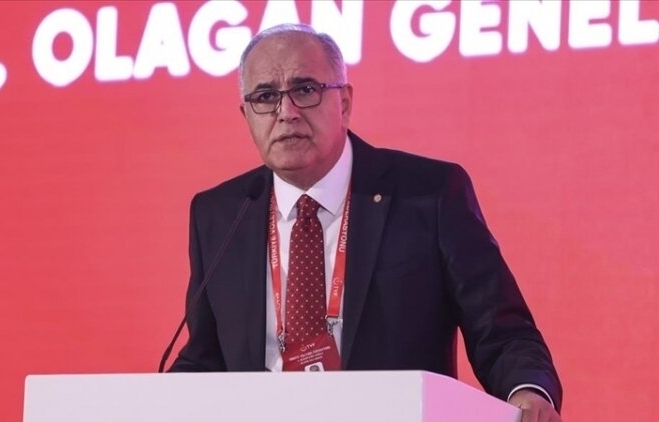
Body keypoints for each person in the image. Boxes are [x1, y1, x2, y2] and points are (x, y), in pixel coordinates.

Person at [170, 23, 563, 421]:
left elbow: (501, 331)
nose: (285, 113)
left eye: (305, 89)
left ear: (344, 102)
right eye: (266, 96)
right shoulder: (219, 214)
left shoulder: (428, 194)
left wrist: (527, 391)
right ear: (246, 114)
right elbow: (205, 358)